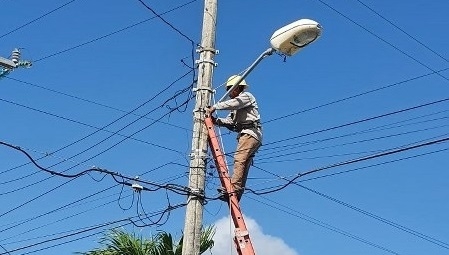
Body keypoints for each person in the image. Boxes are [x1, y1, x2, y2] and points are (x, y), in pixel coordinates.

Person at [206, 75, 262, 201]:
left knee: (239, 159)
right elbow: (231, 122)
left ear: (236, 88)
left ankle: (233, 189)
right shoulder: (236, 107)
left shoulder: (246, 96)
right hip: (250, 134)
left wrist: (215, 107)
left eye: (230, 90)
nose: (229, 94)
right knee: (244, 164)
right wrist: (216, 121)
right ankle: (236, 195)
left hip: (250, 133)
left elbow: (234, 104)